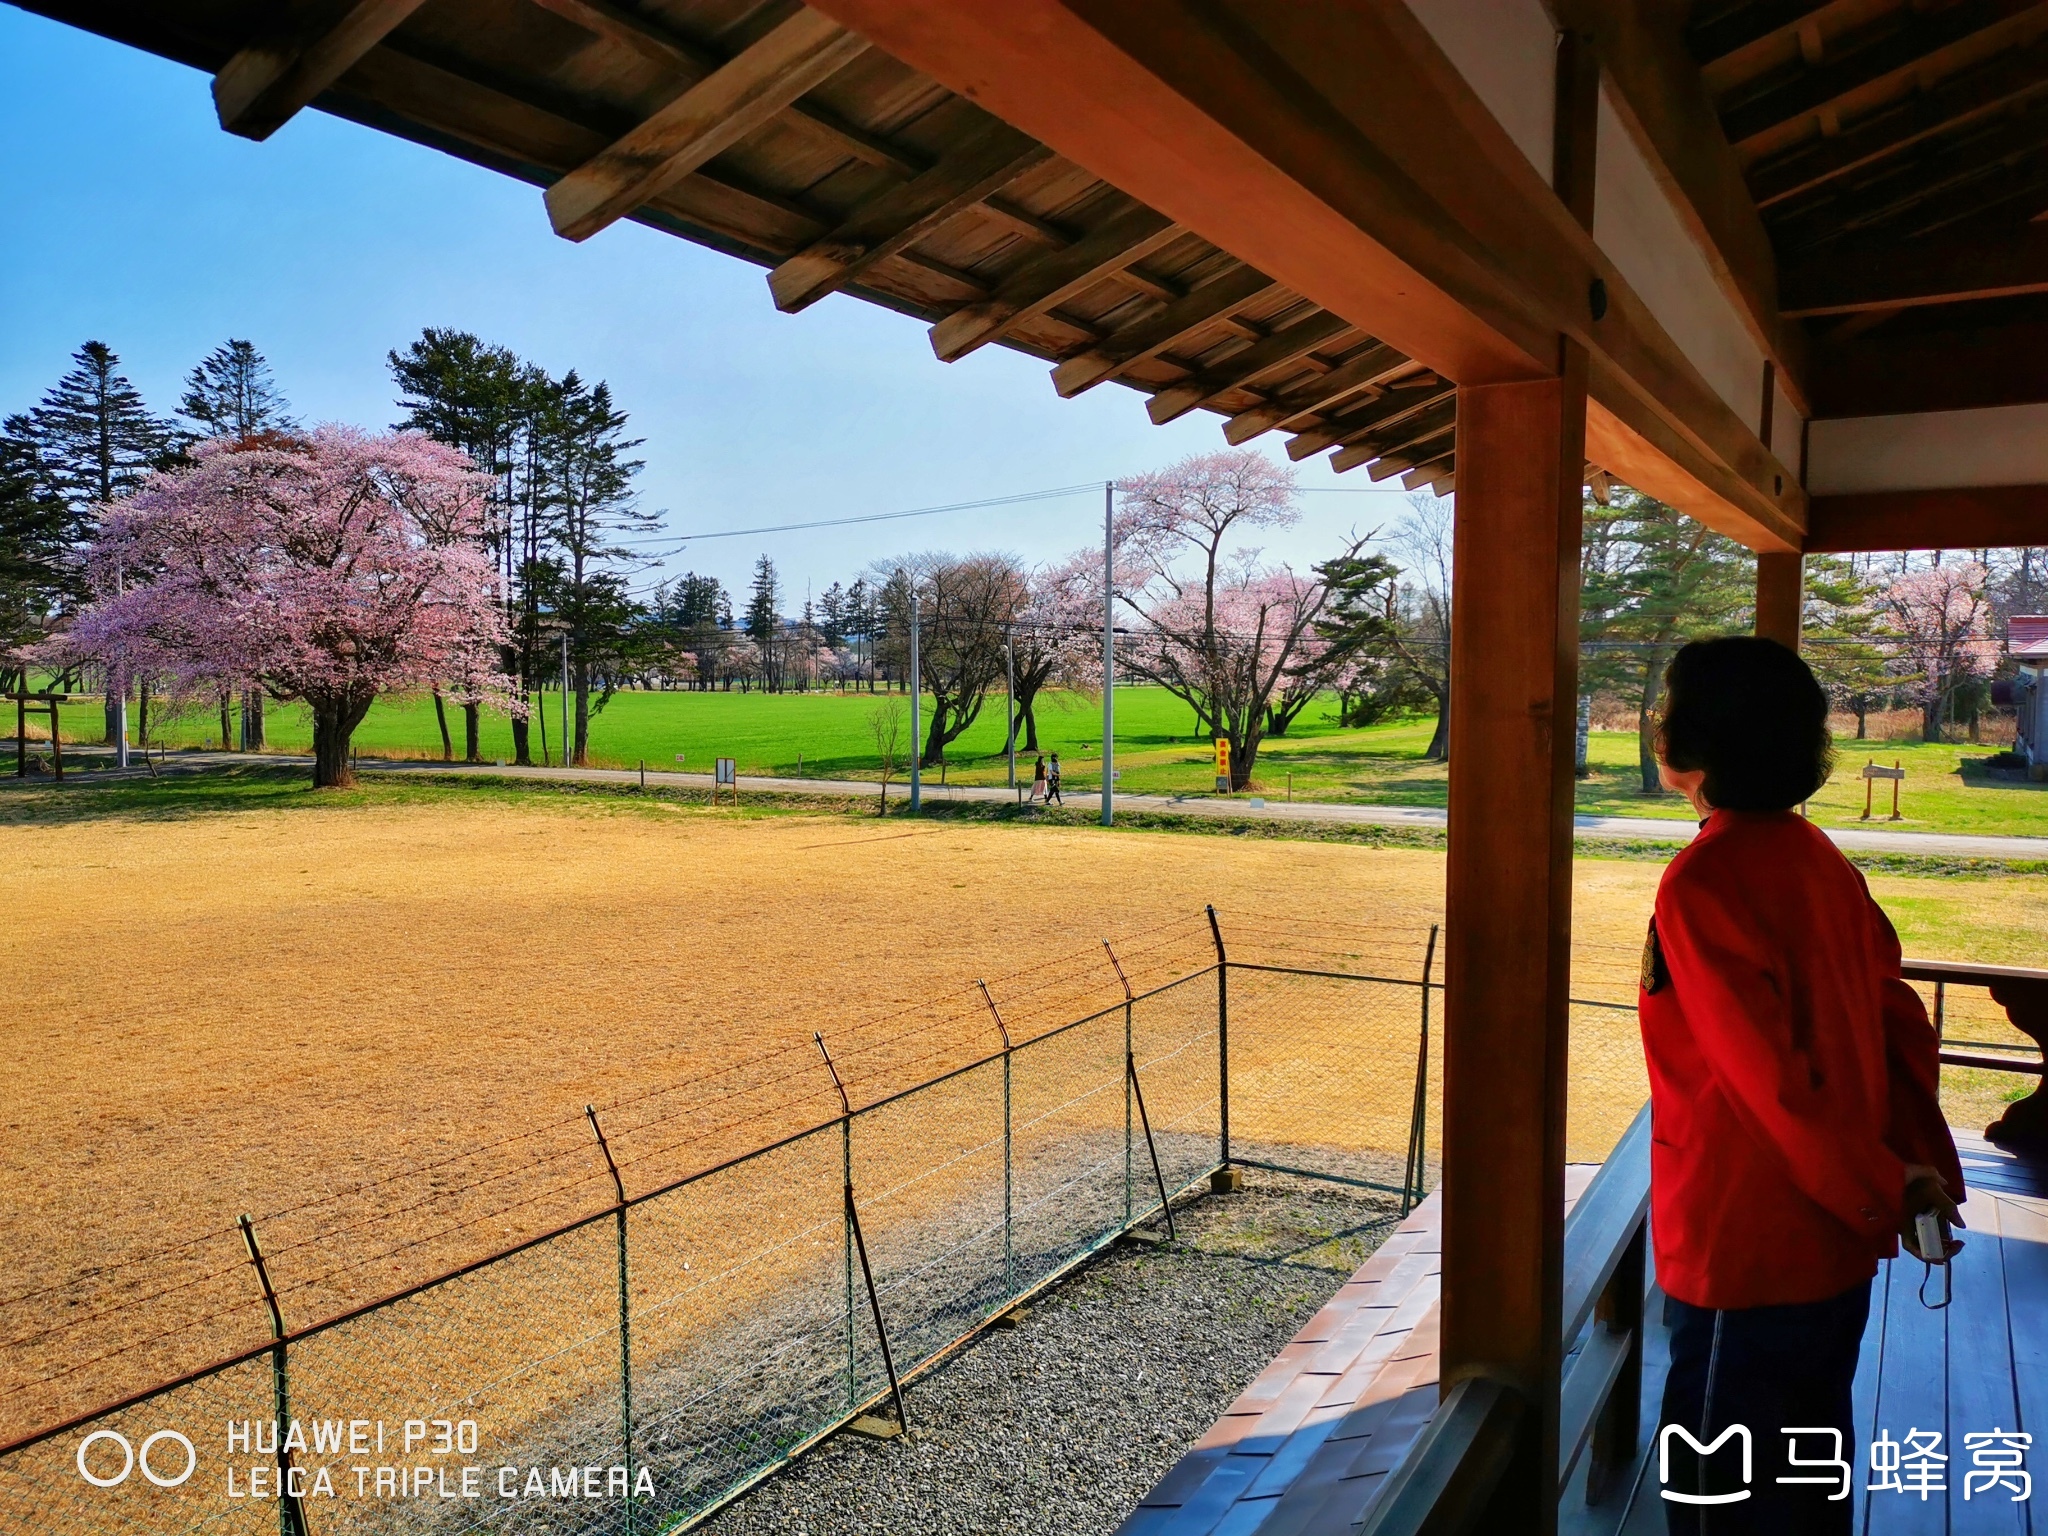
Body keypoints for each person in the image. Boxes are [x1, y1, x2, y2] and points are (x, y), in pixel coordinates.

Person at [1641, 637, 1961, 1534]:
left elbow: (1761, 1083)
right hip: (1838, 1230)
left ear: (1697, 740)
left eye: (1669, 709)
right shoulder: (1819, 857)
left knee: (1721, 1494)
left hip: (1747, 1236)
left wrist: (1880, 1178)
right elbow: (1898, 1022)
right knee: (1809, 1467)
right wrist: (1900, 1168)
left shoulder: (1707, 877)